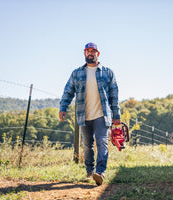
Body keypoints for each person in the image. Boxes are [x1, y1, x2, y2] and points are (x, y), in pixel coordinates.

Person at [59, 42, 121, 186]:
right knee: (87, 145)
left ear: (98, 54)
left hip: (102, 114)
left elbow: (114, 95)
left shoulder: (107, 72)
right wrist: (63, 108)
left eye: (93, 51)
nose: (90, 53)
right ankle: (89, 172)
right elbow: (68, 91)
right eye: (87, 51)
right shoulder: (77, 73)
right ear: (84, 54)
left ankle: (100, 172)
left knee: (102, 142)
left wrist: (116, 115)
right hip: (83, 114)